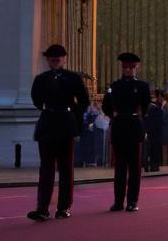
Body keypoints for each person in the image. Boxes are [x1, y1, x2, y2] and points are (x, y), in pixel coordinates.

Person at [28, 44, 90, 222]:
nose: (54, 62)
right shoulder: (41, 79)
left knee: (65, 169)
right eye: (51, 59)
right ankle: (42, 208)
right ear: (48, 60)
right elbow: (36, 99)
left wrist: (75, 119)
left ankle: (64, 207)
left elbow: (84, 101)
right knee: (46, 169)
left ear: (64, 59)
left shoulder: (73, 78)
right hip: (48, 122)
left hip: (66, 122)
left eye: (57, 59)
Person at [102, 52, 150, 212]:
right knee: (120, 168)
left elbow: (146, 106)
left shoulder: (142, 86)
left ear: (137, 67)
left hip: (134, 126)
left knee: (135, 168)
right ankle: (118, 201)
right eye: (125, 67)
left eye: (131, 67)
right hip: (120, 126)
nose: (128, 70)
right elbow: (106, 106)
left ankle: (132, 201)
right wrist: (112, 114)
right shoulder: (114, 86)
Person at [144, 90, 168, 173]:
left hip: (150, 131)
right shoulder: (155, 107)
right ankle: (153, 166)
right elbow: (160, 119)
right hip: (155, 131)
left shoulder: (149, 106)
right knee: (154, 149)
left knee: (149, 149)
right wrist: (161, 108)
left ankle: (148, 165)